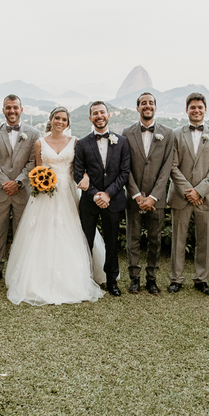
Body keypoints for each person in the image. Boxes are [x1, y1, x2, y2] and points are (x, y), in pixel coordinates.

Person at [6, 107, 106, 305]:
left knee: (70, 231)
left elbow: (81, 167)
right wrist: (40, 181)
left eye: (64, 119)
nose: (60, 122)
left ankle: (76, 277)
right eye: (57, 118)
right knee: (41, 233)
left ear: (68, 123)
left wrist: (85, 176)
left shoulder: (75, 142)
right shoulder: (39, 143)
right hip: (44, 193)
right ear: (50, 120)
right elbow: (37, 169)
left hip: (68, 192)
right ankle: (35, 279)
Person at [72, 101, 131, 296]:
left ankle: (112, 280)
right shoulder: (82, 143)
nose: (99, 116)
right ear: (90, 118)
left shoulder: (122, 142)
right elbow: (78, 174)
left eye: (102, 112)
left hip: (113, 201)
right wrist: (96, 194)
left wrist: (108, 194)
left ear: (109, 115)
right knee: (85, 242)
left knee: (112, 242)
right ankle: (84, 278)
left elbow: (124, 173)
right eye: (95, 113)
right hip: (90, 202)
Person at [167, 93, 209, 295]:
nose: (196, 110)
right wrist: (188, 191)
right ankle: (176, 278)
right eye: (193, 107)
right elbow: (172, 166)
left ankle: (201, 279)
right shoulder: (174, 134)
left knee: (203, 240)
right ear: (187, 110)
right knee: (178, 240)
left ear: (205, 109)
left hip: (205, 197)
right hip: (181, 196)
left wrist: (199, 191)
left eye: (200, 107)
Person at [121, 92, 175, 294]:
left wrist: (153, 197)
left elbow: (167, 168)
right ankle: (134, 278)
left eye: (151, 103)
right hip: (134, 198)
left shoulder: (168, 133)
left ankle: (151, 278)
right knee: (132, 240)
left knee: (155, 240)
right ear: (137, 108)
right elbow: (125, 167)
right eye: (143, 103)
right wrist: (136, 195)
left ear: (155, 107)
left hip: (156, 199)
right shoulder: (127, 133)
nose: (147, 106)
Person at [0, 94, 39, 284]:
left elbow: (33, 162)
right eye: (8, 107)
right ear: (3, 110)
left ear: (21, 109)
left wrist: (18, 182)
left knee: (21, 232)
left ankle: (19, 269)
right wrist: (5, 183)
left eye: (15, 107)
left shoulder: (33, 133)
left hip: (22, 191)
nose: (12, 111)